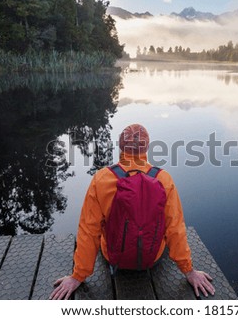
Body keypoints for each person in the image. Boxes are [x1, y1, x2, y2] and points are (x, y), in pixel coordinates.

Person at [50, 124, 215, 300]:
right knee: (166, 233)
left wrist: (78, 276)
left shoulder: (102, 179)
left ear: (120, 147)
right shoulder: (163, 179)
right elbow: (175, 228)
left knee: (99, 233)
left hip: (113, 257)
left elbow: (88, 231)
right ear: (147, 147)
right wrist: (189, 271)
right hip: (152, 259)